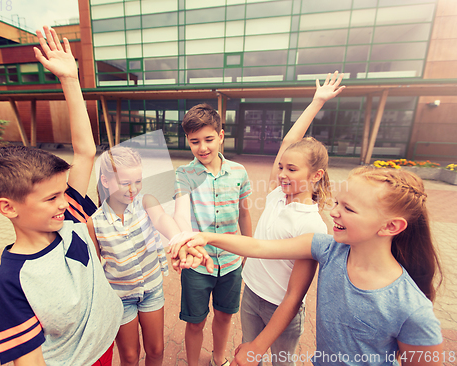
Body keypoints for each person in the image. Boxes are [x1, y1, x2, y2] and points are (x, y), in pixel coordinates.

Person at [172, 166, 444, 366]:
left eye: (349, 209)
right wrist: (204, 237)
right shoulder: (328, 249)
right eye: (337, 203)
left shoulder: (412, 309)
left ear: (390, 226)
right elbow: (259, 247)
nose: (334, 212)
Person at [0, 26, 123, 365]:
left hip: (106, 344)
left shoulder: (68, 215)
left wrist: (70, 80)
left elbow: (85, 152)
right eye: (51, 197)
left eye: (62, 192)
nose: (66, 200)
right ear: (8, 207)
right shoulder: (12, 280)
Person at [239, 72, 344, 366]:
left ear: (316, 175)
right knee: (251, 357)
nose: (283, 174)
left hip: (280, 308)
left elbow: (294, 297)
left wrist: (259, 346)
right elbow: (289, 140)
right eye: (281, 167)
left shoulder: (312, 223)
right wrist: (316, 102)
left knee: (281, 362)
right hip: (251, 293)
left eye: (292, 169)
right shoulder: (275, 193)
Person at [88, 145, 210, 366]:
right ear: (105, 181)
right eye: (125, 183)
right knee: (130, 356)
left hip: (151, 289)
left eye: (138, 181)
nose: (133, 188)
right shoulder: (94, 222)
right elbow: (96, 267)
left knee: (156, 349)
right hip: (120, 298)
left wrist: (180, 241)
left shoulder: (146, 202)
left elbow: (163, 220)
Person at [173, 103, 253, 366]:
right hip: (197, 264)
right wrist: (185, 241)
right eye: (195, 141)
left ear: (221, 136)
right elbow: (181, 213)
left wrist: (248, 249)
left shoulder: (239, 172)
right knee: (195, 322)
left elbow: (244, 214)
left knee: (225, 316)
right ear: (188, 141)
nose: (202, 147)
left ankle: (219, 360)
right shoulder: (184, 174)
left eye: (209, 139)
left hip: (231, 262)